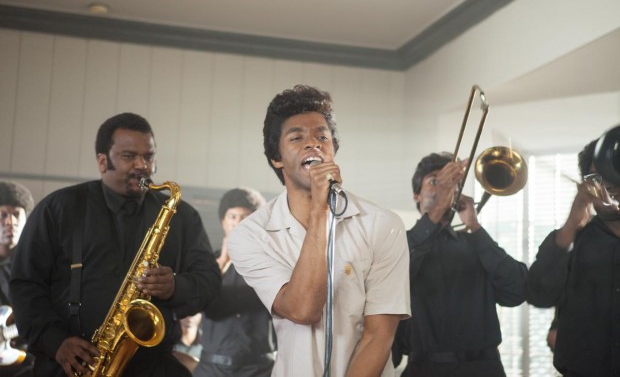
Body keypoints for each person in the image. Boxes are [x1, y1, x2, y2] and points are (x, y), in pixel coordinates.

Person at [9, 112, 222, 377]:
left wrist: (176, 287)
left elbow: (210, 281)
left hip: (151, 366)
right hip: (73, 364)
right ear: (102, 162)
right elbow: (25, 284)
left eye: (149, 156)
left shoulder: (182, 216)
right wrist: (55, 342)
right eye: (129, 156)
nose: (142, 165)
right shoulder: (59, 208)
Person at [227, 84, 411, 377]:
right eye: (297, 137)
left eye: (322, 137)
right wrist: (320, 212)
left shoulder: (382, 224)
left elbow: (379, 335)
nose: (313, 144)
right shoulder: (251, 234)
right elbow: (302, 310)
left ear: (333, 150)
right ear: (276, 157)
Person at [395, 152, 528, 377]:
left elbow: (516, 291)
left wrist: (475, 227)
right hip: (424, 369)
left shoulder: (476, 242)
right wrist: (437, 208)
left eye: (451, 183)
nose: (445, 188)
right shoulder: (399, 244)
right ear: (417, 195)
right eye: (434, 181)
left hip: (484, 368)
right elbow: (396, 278)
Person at [526, 139, 620, 376]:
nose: (608, 187)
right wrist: (572, 223)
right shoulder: (571, 240)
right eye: (597, 178)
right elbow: (539, 294)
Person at [193, 187, 276, 377]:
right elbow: (196, 301)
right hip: (212, 369)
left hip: (260, 369)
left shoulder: (272, 262)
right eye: (233, 217)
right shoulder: (207, 263)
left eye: (246, 217)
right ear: (223, 221)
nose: (238, 223)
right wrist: (223, 261)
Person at [0, 181, 35, 377]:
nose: (10, 222)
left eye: (16, 215)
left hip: (24, 361)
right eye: (3, 214)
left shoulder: (39, 265)